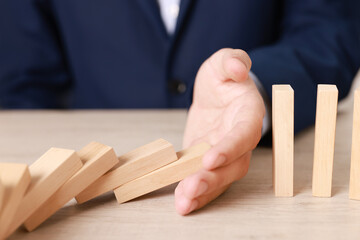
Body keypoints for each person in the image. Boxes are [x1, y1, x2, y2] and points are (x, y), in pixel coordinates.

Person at [0, 0, 359, 215]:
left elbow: (329, 30)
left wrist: (257, 88)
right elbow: (21, 75)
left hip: (257, 183)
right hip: (82, 184)